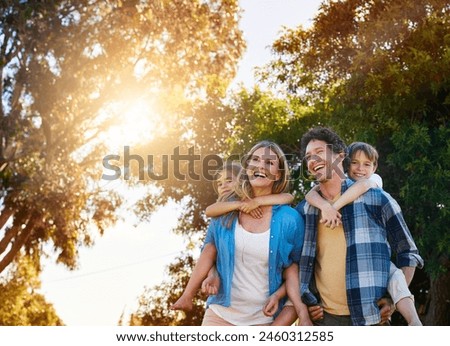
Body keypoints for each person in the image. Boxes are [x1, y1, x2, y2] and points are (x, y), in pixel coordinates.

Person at [295, 127, 424, 326]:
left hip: (371, 319)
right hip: (325, 320)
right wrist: (305, 307)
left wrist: (393, 300)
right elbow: (295, 265)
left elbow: (408, 251)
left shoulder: (376, 198)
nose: (313, 160)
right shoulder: (305, 211)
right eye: (309, 157)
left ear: (340, 156)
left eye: (319, 152)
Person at [200, 140, 308, 326]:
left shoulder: (290, 219)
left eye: (269, 163)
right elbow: (209, 251)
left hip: (262, 320)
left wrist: (281, 301)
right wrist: (213, 274)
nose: (260, 166)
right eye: (255, 160)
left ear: (278, 174)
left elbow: (297, 271)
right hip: (218, 317)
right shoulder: (226, 211)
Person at [170, 160, 296, 317]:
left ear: (243, 180)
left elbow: (288, 197)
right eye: (219, 183)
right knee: (210, 247)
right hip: (221, 282)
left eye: (229, 180)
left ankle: (189, 294)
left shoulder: (253, 201)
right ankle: (187, 295)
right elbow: (209, 211)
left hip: (257, 297)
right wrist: (212, 274)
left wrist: (256, 202)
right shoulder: (223, 210)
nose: (222, 185)